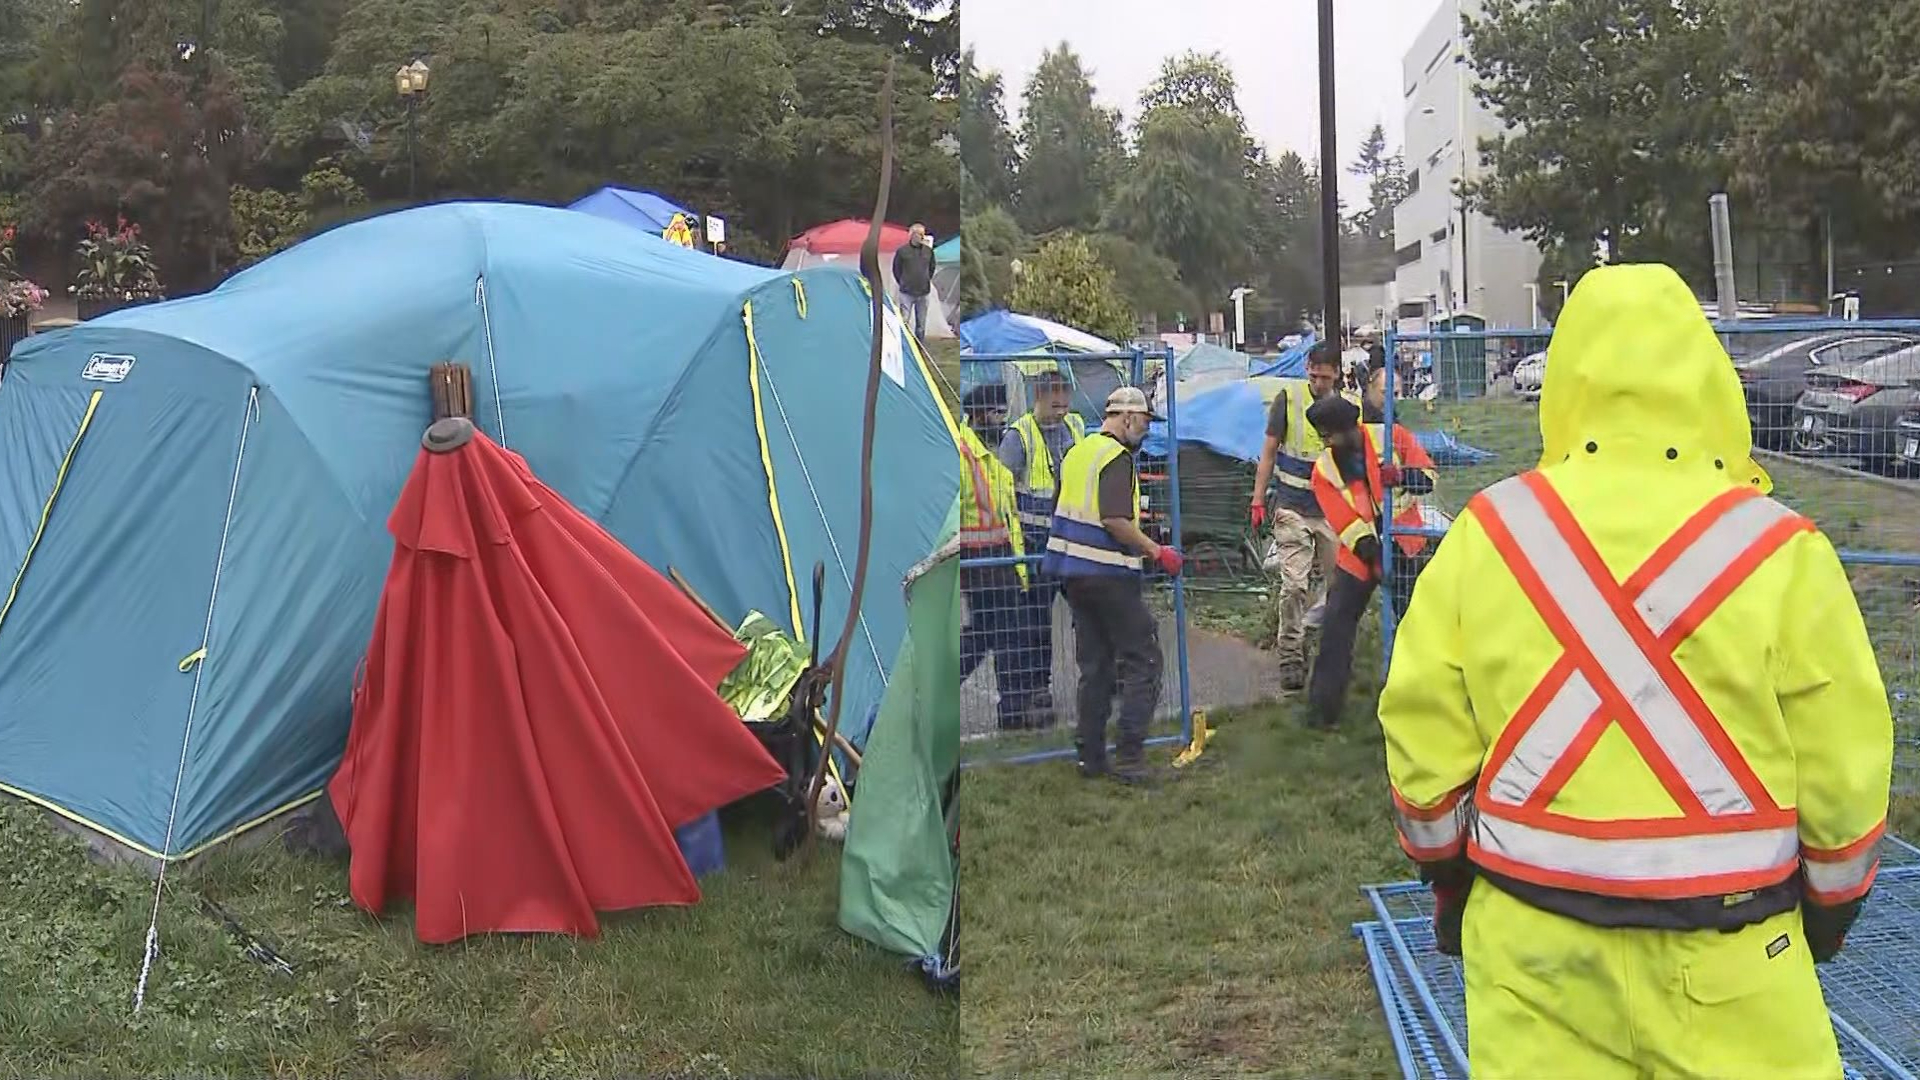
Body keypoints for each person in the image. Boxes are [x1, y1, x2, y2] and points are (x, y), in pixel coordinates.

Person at [1378, 264, 1892, 1078]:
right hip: (1737, 960)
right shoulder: (1782, 548)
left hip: (1531, 953)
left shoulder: (1489, 533)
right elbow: (1846, 773)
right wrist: (1826, 916)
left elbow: (1421, 739)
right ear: (1705, 379)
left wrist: (1448, 881)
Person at [1041, 386, 1185, 782]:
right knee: (1145, 658)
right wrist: (1158, 552)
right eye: (1143, 422)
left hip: (1072, 575)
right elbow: (1115, 520)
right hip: (1108, 574)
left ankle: (1090, 757)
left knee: (1097, 666)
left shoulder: (1076, 453)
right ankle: (1130, 756)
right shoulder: (1117, 458)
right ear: (1125, 417)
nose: (1145, 430)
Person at [1303, 393, 1435, 730]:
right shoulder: (1325, 469)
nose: (1328, 441)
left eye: (1332, 434)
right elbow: (1344, 520)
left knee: (1421, 625)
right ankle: (1322, 713)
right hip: (1359, 555)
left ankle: (1430, 701)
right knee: (1336, 626)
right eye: (1324, 436)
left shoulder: (1391, 436)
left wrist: (1402, 476)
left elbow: (1429, 476)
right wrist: (1374, 559)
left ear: (1352, 427)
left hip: (1405, 542)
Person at [1249, 343, 1343, 690]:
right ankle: (1290, 655)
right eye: (1313, 375)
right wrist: (1258, 500)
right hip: (1291, 508)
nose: (1318, 382)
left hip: (1332, 512)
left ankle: (1320, 643)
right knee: (1294, 585)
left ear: (1336, 373)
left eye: (1325, 376)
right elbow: (1269, 452)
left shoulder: (1347, 409)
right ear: (1306, 368)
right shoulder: (1287, 401)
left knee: (1339, 588)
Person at [997, 369, 1085, 728]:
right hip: (1037, 544)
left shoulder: (1076, 428)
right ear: (1038, 397)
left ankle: (1098, 678)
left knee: (1089, 611)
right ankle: (1037, 689)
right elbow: (1003, 490)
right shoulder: (1019, 437)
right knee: (1035, 620)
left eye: (1065, 397)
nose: (1061, 405)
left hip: (1074, 539)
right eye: (1054, 398)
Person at [956, 384, 1043, 731]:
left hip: (1001, 560)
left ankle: (1014, 713)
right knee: (1000, 637)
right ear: (977, 416)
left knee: (996, 636)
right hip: (978, 563)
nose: (1001, 423)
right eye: (995, 415)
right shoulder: (963, 454)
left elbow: (1006, 517)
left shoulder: (989, 454)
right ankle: (1013, 715)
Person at [891, 223, 936, 342]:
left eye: (922, 234)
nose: (920, 237)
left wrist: (926, 279)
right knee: (904, 321)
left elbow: (932, 267)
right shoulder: (902, 251)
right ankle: (903, 344)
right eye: (917, 234)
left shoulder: (928, 251)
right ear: (911, 235)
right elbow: (896, 269)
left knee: (921, 324)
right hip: (907, 292)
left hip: (924, 292)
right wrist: (902, 282)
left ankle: (919, 347)